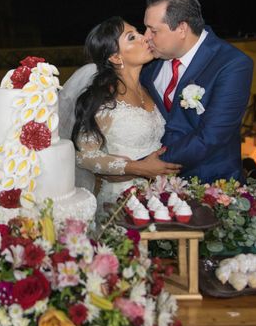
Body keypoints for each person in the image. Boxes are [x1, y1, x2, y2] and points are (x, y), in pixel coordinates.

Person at [70, 16, 181, 220]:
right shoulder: (102, 98)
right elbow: (84, 156)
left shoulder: (149, 90)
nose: (143, 38)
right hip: (120, 203)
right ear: (115, 57)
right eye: (132, 37)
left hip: (158, 196)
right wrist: (138, 168)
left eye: (138, 32)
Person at [140, 0, 253, 183]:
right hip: (155, 190)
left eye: (153, 30)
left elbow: (211, 137)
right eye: (146, 28)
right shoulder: (149, 64)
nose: (145, 36)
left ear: (182, 28)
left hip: (212, 186)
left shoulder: (232, 64)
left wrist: (141, 166)